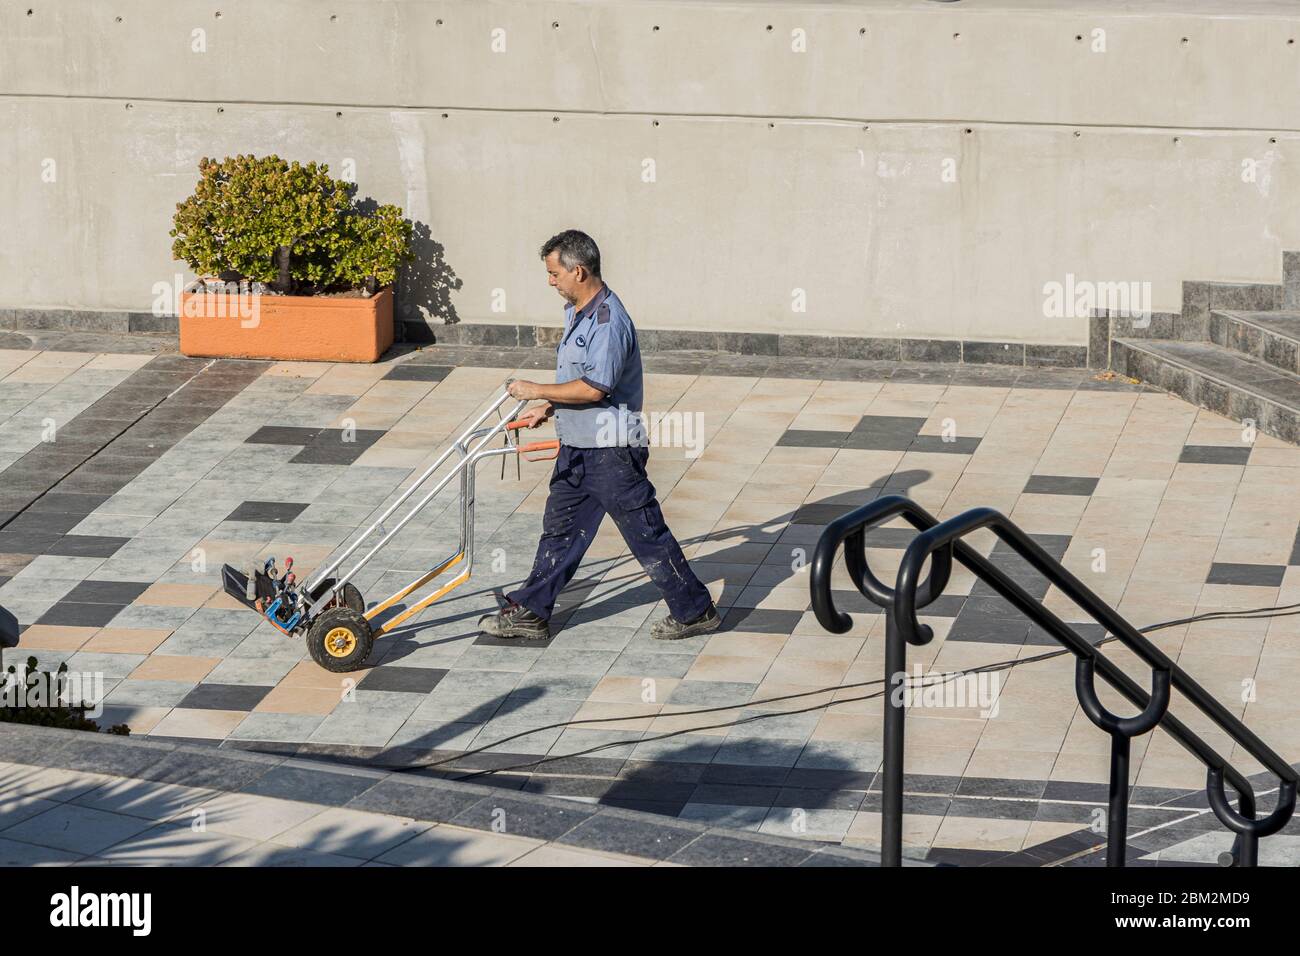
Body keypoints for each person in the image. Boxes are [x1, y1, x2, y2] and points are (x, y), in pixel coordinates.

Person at [478, 229, 721, 642]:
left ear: (579, 270)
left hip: (610, 452)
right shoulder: (577, 311)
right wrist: (549, 407)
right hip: (578, 447)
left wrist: (535, 389)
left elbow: (595, 388)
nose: (550, 281)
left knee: (646, 534)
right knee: (560, 531)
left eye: (554, 273)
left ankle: (695, 610)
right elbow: (578, 379)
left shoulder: (609, 322)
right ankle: (533, 612)